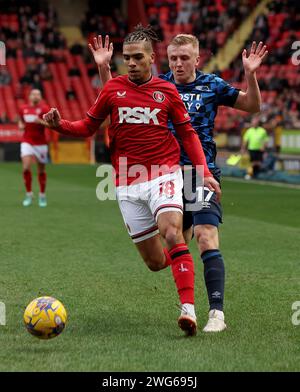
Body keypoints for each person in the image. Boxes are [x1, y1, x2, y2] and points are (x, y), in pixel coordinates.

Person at [43, 25, 221, 337]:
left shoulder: (167, 92)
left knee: (170, 231)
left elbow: (188, 135)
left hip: (164, 174)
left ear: (153, 58)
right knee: (155, 262)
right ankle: (185, 235)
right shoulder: (112, 91)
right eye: (127, 58)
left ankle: (188, 310)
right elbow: (87, 126)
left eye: (138, 57)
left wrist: (203, 171)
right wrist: (60, 126)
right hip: (127, 182)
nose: (132, 63)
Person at [91, 32, 268, 332]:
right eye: (173, 58)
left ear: (197, 59)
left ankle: (216, 314)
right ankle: (188, 290)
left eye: (184, 58)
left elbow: (252, 106)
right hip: (163, 175)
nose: (178, 64)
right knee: (160, 260)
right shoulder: (159, 84)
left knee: (205, 234)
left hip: (199, 174)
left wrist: (250, 75)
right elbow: (115, 97)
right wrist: (104, 68)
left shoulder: (212, 85)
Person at [18, 89, 50, 207]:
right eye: (33, 94)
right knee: (26, 167)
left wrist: (40, 121)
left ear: (41, 97)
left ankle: (42, 195)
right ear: (29, 96)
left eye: (38, 94)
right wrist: (21, 125)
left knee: (41, 170)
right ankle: (29, 193)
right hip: (27, 141)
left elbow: (51, 125)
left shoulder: (45, 109)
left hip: (41, 143)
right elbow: (21, 121)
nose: (35, 96)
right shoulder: (23, 108)